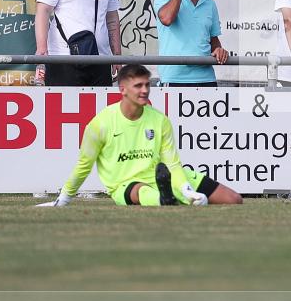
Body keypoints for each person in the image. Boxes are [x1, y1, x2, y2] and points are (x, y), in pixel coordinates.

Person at [39, 64, 243, 207]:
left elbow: (172, 164)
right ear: (122, 90)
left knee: (234, 199)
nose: (145, 90)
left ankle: (176, 196)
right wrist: (63, 199)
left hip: (163, 177)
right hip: (125, 185)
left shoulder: (159, 120)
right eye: (138, 86)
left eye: (147, 85)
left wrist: (187, 189)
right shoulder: (100, 123)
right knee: (142, 192)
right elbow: (83, 166)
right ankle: (165, 200)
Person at [153, 0, 229, 87]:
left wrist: (219, 49)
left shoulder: (209, 2)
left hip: (206, 79)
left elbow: (213, 41)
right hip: (174, 78)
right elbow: (167, 19)